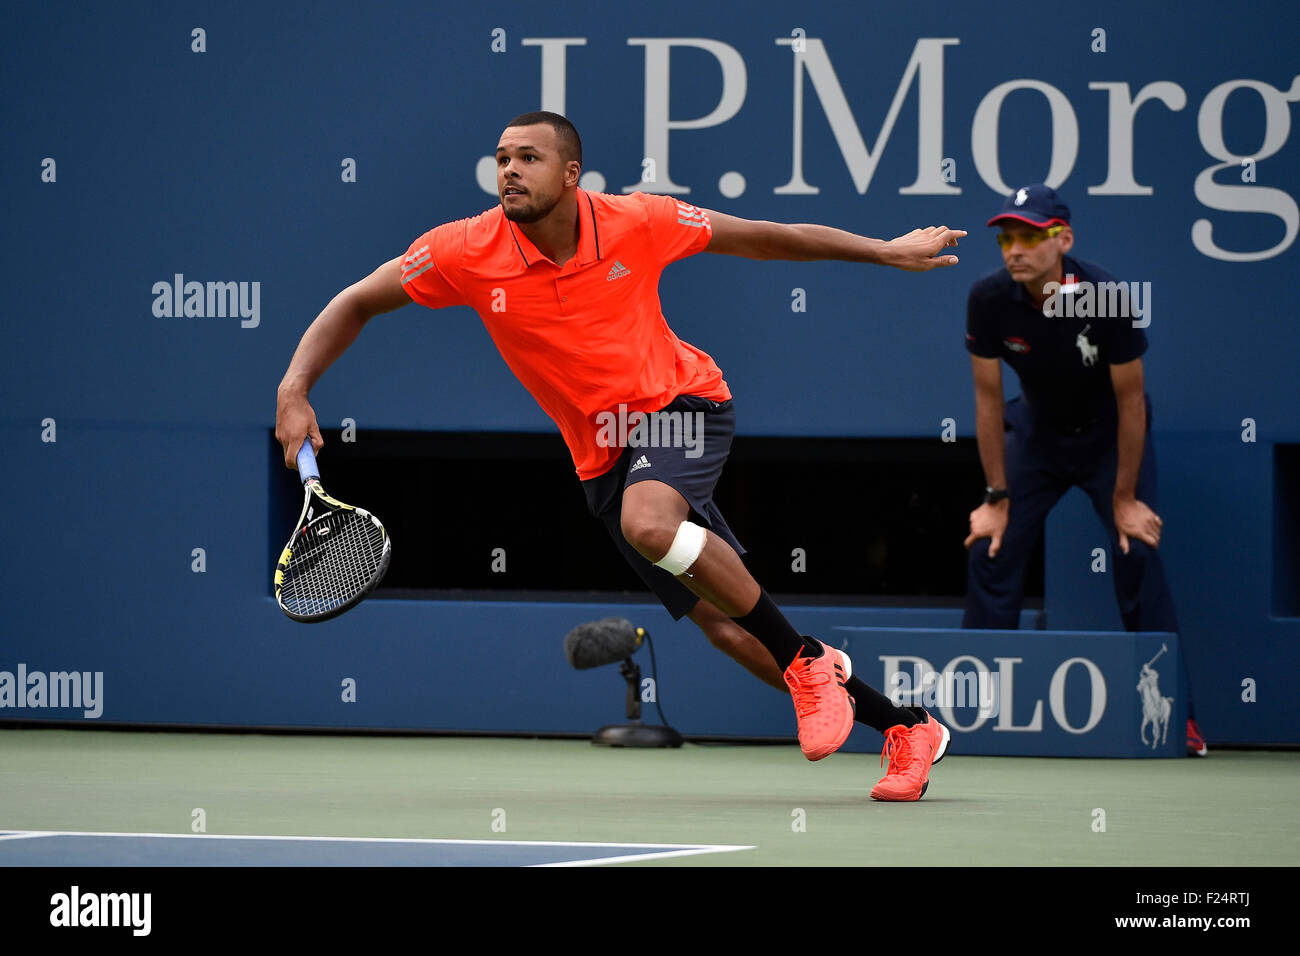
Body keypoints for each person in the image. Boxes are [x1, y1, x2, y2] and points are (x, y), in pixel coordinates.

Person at [276, 111, 967, 798]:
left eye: (529, 157)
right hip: (601, 456)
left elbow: (765, 238)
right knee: (730, 631)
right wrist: (295, 387)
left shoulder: (639, 221)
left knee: (650, 524)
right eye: (501, 157)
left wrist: (882, 250)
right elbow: (359, 301)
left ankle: (809, 662)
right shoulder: (462, 250)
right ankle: (907, 727)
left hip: (683, 403)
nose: (510, 170)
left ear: (571, 173)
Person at [961, 184, 1205, 756]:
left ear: (1062, 239)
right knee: (988, 548)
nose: (1013, 249)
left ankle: (1178, 721)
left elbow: (1132, 402)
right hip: (1038, 439)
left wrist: (1125, 497)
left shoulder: (1105, 297)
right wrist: (996, 495)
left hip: (1109, 443)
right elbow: (988, 401)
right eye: (1006, 237)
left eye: (1028, 236)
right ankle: (974, 714)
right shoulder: (989, 298)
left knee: (1136, 550)